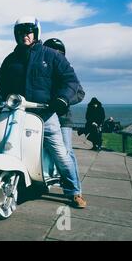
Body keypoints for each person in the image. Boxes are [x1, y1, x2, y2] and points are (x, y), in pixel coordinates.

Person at [0, 16, 86, 209]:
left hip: (45, 114)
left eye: (29, 31)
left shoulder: (51, 55)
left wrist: (62, 98)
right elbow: (1, 83)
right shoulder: (11, 59)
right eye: (21, 32)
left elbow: (70, 80)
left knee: (61, 154)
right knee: (3, 144)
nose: (25, 35)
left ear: (36, 32)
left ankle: (74, 191)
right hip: (17, 112)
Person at [44, 38, 85, 197]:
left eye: (58, 52)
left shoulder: (66, 68)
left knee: (66, 153)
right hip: (41, 116)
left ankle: (75, 191)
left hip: (62, 118)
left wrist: (63, 100)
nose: (55, 54)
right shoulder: (43, 68)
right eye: (51, 50)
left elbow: (80, 93)